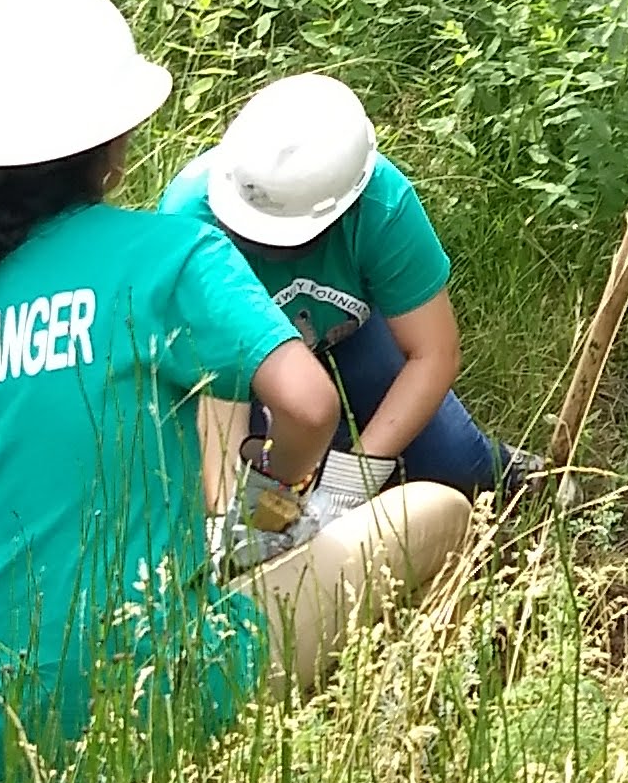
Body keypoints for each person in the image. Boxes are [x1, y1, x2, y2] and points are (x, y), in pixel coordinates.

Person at [0, 0, 473, 783]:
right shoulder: (168, 254)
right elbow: (308, 405)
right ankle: (363, 740)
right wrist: (275, 504)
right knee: (435, 509)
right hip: (150, 701)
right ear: (115, 144)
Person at [162, 73, 535, 511]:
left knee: (452, 463)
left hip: (353, 341)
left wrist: (353, 479)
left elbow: (434, 352)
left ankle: (508, 469)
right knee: (265, 493)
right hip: (247, 369)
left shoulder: (382, 204)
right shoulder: (190, 216)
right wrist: (239, 497)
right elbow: (215, 384)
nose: (262, 247)